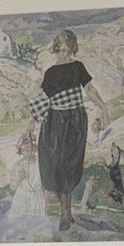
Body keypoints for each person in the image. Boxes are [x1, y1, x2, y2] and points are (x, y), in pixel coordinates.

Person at [35, 29, 109, 232]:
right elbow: (44, 100)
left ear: (73, 49)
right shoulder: (50, 72)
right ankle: (65, 213)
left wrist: (103, 107)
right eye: (61, 50)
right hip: (54, 122)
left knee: (69, 163)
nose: (64, 54)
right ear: (55, 49)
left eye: (68, 50)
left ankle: (66, 212)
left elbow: (90, 90)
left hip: (75, 121)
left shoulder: (78, 67)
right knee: (56, 163)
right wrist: (29, 125)